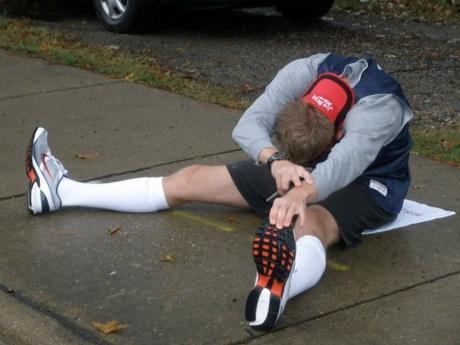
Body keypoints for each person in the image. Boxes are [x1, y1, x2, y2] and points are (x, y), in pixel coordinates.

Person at [25, 52, 413, 331]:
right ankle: (64, 191)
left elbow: (343, 164)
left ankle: (278, 287)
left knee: (306, 222)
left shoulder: (379, 109)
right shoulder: (306, 71)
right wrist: (276, 160)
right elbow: (247, 125)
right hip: (298, 167)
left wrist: (300, 192)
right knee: (190, 179)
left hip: (371, 181)